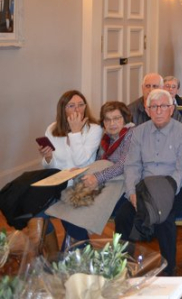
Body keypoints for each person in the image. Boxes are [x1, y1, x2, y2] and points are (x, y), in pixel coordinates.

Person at [116, 89, 182, 276]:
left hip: (174, 187)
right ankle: (123, 267)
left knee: (164, 216)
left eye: (163, 106)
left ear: (172, 109)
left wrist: (163, 195)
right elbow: (132, 165)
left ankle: (168, 270)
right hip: (144, 187)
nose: (159, 111)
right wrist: (132, 192)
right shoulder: (138, 133)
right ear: (147, 110)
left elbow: (181, 170)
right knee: (122, 216)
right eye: (154, 107)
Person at [46, 101, 134, 249]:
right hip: (105, 182)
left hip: (122, 184)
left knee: (76, 212)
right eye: (107, 119)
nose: (112, 123)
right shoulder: (106, 138)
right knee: (67, 208)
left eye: (117, 118)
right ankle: (81, 250)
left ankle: (76, 252)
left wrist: (96, 177)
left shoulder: (131, 134)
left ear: (125, 119)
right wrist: (81, 171)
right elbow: (97, 162)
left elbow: (123, 165)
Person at [39, 90, 103, 172]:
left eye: (81, 105)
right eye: (71, 106)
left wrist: (76, 132)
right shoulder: (52, 128)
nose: (77, 109)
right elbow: (50, 167)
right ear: (63, 109)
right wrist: (48, 158)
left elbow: (80, 162)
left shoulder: (95, 129)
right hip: (57, 178)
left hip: (80, 180)